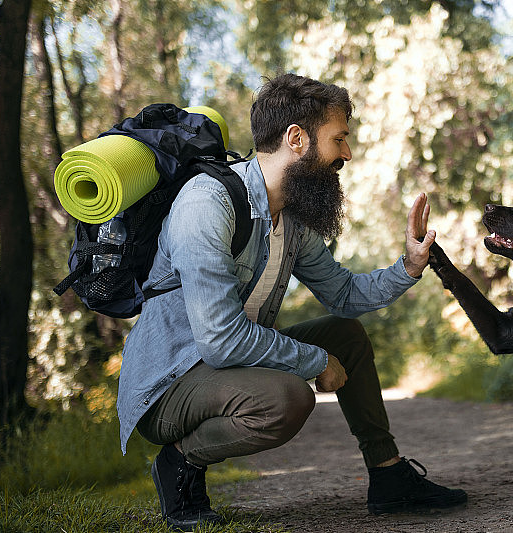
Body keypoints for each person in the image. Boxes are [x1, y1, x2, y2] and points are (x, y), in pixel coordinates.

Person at [116, 73, 467, 530]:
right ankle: (180, 461)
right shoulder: (207, 204)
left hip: (224, 369)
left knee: (347, 336)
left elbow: (342, 294)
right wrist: (315, 361)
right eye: (338, 139)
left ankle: (389, 476)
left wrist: (409, 266)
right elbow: (220, 340)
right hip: (170, 385)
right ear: (296, 139)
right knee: (287, 398)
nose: (347, 153)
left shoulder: (291, 219)